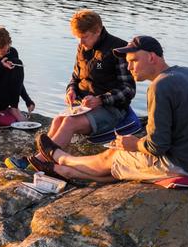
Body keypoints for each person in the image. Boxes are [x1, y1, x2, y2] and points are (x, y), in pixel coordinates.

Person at [29, 36, 188, 183]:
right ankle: (65, 172)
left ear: (152, 57)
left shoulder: (160, 86)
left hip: (185, 166)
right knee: (123, 165)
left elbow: (157, 146)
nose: (129, 66)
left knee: (114, 156)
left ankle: (61, 157)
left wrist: (135, 144)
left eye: (134, 60)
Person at [48, 9, 136, 148]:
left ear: (98, 31)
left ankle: (43, 161)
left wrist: (100, 100)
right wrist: (71, 90)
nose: (81, 42)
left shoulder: (119, 49)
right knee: (58, 120)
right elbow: (75, 77)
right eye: (77, 37)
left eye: (85, 36)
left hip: (112, 109)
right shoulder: (82, 47)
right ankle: (38, 157)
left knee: (69, 123)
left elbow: (129, 89)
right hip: (82, 106)